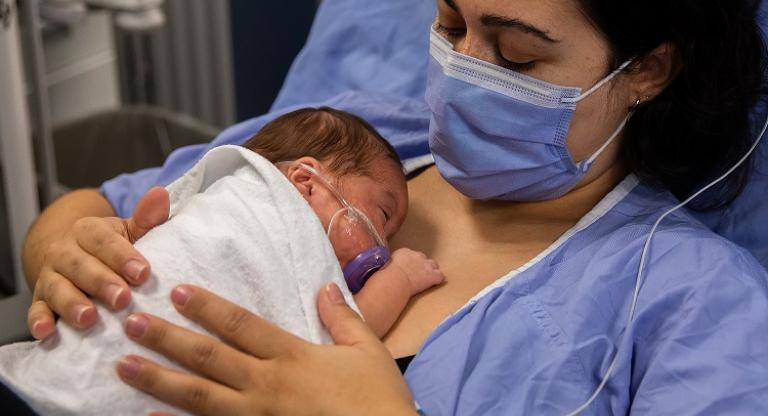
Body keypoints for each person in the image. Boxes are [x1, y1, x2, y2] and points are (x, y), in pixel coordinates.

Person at [19, 0, 768, 414]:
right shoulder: (358, 137)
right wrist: (57, 248)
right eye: (448, 24)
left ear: (648, 72)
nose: (460, 70)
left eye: (516, 56)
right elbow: (98, 206)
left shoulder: (694, 303)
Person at [0, 107, 444, 414]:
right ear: (306, 182)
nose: (382, 248)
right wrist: (402, 278)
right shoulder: (275, 211)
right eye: (382, 217)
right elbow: (351, 327)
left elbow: (335, 378)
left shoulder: (224, 187)